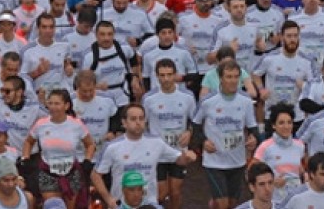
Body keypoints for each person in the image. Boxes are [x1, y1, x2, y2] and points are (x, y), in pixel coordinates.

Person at [91, 104, 196, 209]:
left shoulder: (156, 142)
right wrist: (108, 199)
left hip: (149, 204)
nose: (138, 122)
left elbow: (178, 159)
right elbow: (95, 175)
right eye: (133, 119)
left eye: (141, 118)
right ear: (124, 123)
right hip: (121, 204)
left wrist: (187, 157)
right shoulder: (112, 147)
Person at [192, 60, 257, 209]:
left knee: (232, 204)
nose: (233, 81)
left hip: (237, 161)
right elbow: (195, 125)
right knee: (223, 204)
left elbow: (253, 127)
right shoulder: (207, 101)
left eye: (236, 77)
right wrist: (203, 142)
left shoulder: (246, 101)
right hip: (214, 161)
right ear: (221, 78)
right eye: (229, 77)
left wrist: (253, 139)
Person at [24, 89, 95, 208]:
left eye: (57, 104)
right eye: (50, 103)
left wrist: (87, 160)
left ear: (66, 105)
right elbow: (28, 141)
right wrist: (25, 157)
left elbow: (90, 144)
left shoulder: (76, 124)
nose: (53, 107)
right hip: (48, 172)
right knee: (52, 206)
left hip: (71, 173)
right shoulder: (41, 124)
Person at [141, 59, 196, 209]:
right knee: (160, 193)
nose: (166, 79)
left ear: (175, 75)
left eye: (169, 75)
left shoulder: (187, 96)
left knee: (175, 192)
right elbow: (142, 124)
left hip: (178, 151)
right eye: (162, 75)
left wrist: (189, 132)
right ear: (156, 76)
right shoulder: (148, 98)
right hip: (157, 152)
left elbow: (195, 121)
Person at [252, 104, 306, 204]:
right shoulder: (265, 147)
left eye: (289, 122)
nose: (286, 126)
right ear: (273, 125)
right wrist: (271, 182)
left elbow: (301, 170)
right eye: (281, 123)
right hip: (274, 201)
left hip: (296, 201)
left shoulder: (300, 145)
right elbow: (251, 173)